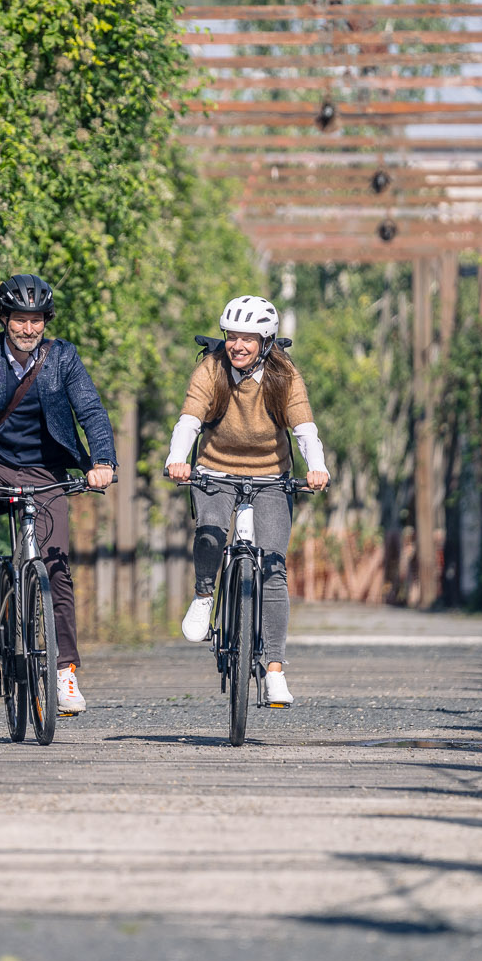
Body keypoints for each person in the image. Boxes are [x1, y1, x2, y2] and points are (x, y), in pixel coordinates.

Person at [0, 274, 119, 716]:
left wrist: (102, 462)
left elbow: (90, 409)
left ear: (45, 322)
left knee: (57, 570)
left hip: (44, 470)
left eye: (36, 321)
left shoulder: (63, 358)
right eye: (19, 319)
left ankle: (65, 672)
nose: (28, 329)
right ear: (4, 319)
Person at [162, 295, 329, 707]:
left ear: (266, 342)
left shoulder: (283, 374)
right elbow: (189, 420)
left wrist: (317, 466)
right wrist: (176, 459)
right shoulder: (212, 367)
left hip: (271, 476)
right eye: (232, 337)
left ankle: (274, 670)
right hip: (215, 470)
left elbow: (304, 427)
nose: (237, 345)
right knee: (210, 533)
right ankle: (204, 595)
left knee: (273, 565)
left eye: (247, 339)